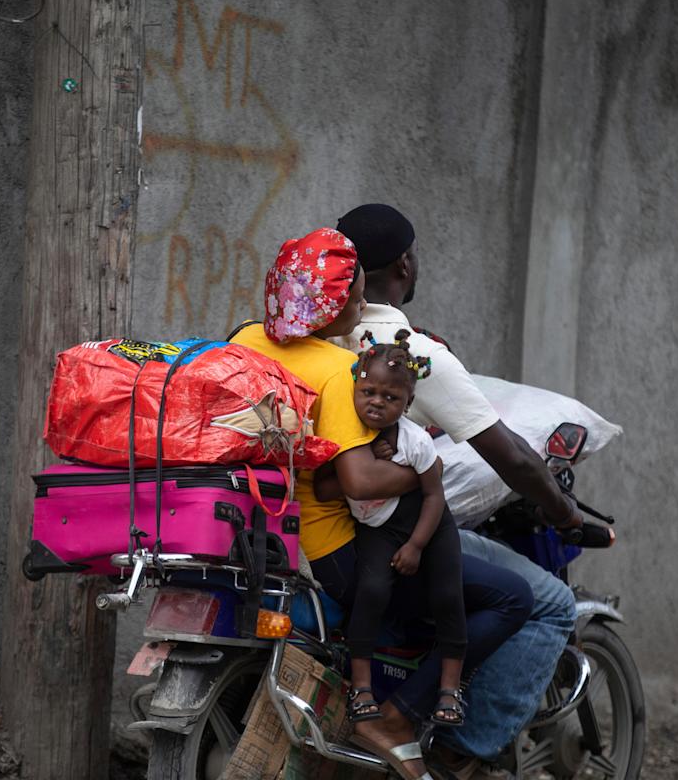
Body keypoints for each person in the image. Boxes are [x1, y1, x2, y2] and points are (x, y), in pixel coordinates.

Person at [231, 227, 534, 780]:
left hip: (265, 528)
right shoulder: (336, 371)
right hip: (336, 552)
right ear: (338, 305)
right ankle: (397, 717)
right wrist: (427, 474)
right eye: (357, 296)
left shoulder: (245, 339)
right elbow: (361, 482)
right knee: (513, 597)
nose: (363, 306)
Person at [333, 204, 583, 779]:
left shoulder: (309, 331)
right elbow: (513, 456)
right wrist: (563, 511)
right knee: (547, 604)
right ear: (405, 263)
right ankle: (456, 750)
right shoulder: (409, 352)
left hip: (310, 520)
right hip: (381, 528)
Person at [316, 330, 468, 731]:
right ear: (355, 387)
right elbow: (324, 488)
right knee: (371, 592)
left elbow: (435, 495)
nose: (377, 404)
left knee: (448, 595)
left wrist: (417, 545)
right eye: (369, 392)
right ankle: (361, 689)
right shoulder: (349, 437)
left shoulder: (416, 442)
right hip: (377, 528)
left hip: (427, 524)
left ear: (409, 403)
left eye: (391, 398)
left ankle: (450, 690)